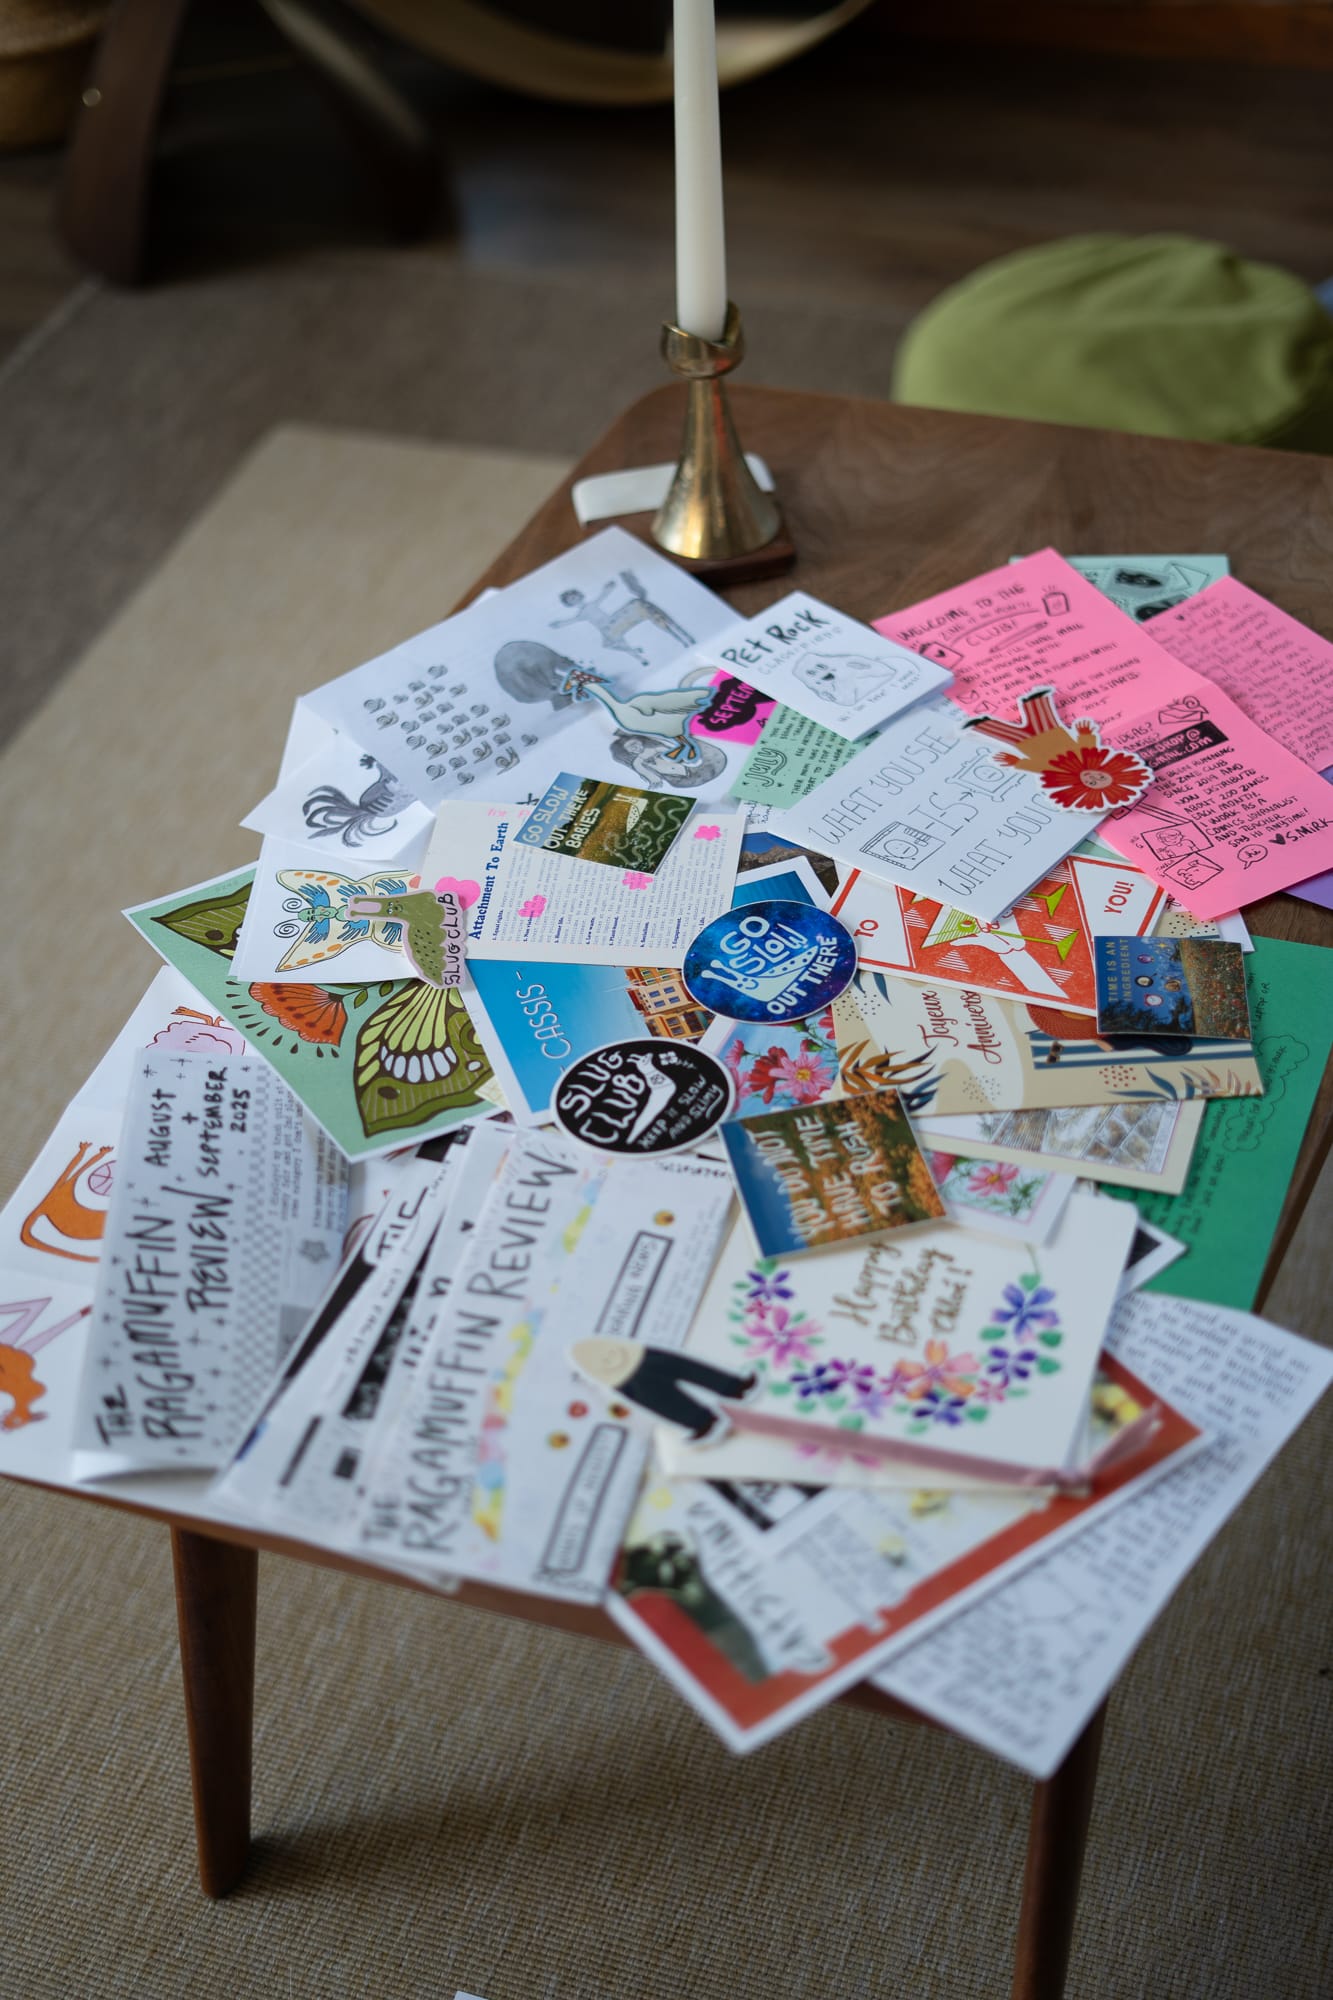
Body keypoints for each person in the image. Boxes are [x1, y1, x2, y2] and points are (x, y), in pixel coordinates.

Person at [570, 1337, 758, 1443]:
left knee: (679, 1379)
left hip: (633, 1362)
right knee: (664, 1397)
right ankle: (705, 1419)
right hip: (625, 1375)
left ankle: (734, 1389)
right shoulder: (584, 1355)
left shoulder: (588, 1350)